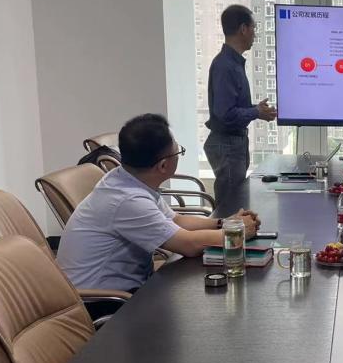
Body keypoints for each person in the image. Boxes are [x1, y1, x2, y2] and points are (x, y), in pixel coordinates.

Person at [57, 114, 260, 292]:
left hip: (130, 288)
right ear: (163, 165)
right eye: (178, 151)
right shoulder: (128, 200)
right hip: (103, 302)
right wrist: (237, 232)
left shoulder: (125, 178)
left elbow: (176, 220)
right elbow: (188, 245)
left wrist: (226, 223)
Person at [205, 4, 277, 200]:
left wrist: (258, 110)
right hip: (227, 144)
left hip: (233, 143)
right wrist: (256, 112)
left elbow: (232, 107)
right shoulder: (225, 66)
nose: (255, 34)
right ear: (243, 29)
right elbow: (225, 114)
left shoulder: (233, 63)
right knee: (231, 205)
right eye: (254, 28)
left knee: (236, 200)